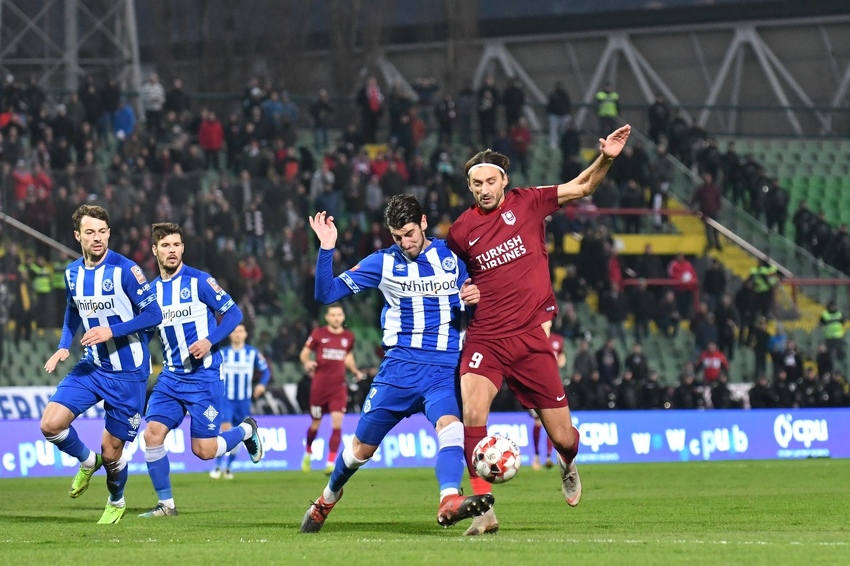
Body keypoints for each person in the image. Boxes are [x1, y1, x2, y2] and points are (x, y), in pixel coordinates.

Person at [445, 124, 631, 535]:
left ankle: (567, 462)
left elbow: (582, 187)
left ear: (504, 181)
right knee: (472, 416)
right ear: (469, 186)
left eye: (490, 181)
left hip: (530, 338)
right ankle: (483, 512)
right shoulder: (460, 232)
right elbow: (448, 278)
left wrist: (607, 158)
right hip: (486, 337)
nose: (484, 188)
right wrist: (461, 290)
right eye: (476, 183)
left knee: (563, 437)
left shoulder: (528, 202)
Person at [301, 195, 494, 534]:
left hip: (444, 368)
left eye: (408, 233)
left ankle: (449, 497)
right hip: (398, 371)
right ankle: (327, 498)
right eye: (396, 237)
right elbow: (326, 293)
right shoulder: (383, 262)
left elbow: (476, 307)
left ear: (423, 222)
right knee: (360, 449)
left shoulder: (453, 257)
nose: (404, 243)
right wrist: (327, 248)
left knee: (452, 429)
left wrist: (475, 300)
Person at [40, 204, 164, 524]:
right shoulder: (72, 272)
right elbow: (72, 310)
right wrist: (63, 346)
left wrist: (111, 330)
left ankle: (117, 499)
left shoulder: (126, 270)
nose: (98, 238)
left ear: (109, 233)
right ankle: (85, 461)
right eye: (90, 232)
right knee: (50, 425)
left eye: (103, 231)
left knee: (112, 453)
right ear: (77, 236)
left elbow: (154, 315)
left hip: (128, 373)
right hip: (92, 366)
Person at [139, 222, 263, 518]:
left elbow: (234, 313)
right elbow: (144, 332)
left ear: (183, 247)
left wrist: (209, 340)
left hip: (204, 378)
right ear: (155, 250)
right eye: (166, 246)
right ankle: (166, 505)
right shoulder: (151, 292)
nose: (173, 251)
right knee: (152, 435)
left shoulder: (199, 281)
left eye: (177, 245)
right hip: (170, 377)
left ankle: (246, 430)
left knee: (204, 451)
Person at [299, 303, 364, 475]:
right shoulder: (318, 334)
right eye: (333, 315)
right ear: (327, 317)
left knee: (337, 423)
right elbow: (304, 354)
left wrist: (355, 370)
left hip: (338, 388)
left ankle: (330, 461)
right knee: (315, 424)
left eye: (339, 315)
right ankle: (308, 452)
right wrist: (307, 363)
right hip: (319, 387)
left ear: (343, 317)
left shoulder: (348, 337)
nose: (336, 318)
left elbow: (348, 357)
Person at [211, 323, 271, 479]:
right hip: (226, 399)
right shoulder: (222, 353)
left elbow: (266, 371)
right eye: (235, 331)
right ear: (230, 334)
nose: (238, 334)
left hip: (244, 400)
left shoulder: (252, 353)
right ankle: (218, 465)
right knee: (225, 429)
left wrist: (262, 385)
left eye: (241, 331)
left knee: (239, 432)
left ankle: (229, 466)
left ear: (245, 335)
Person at [530, 319, 567, 471]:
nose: (545, 322)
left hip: (552, 385)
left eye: (548, 320)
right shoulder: (532, 339)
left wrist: (559, 361)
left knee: (551, 423)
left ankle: (549, 457)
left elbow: (562, 359)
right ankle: (537, 456)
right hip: (535, 385)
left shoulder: (557, 340)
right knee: (539, 422)